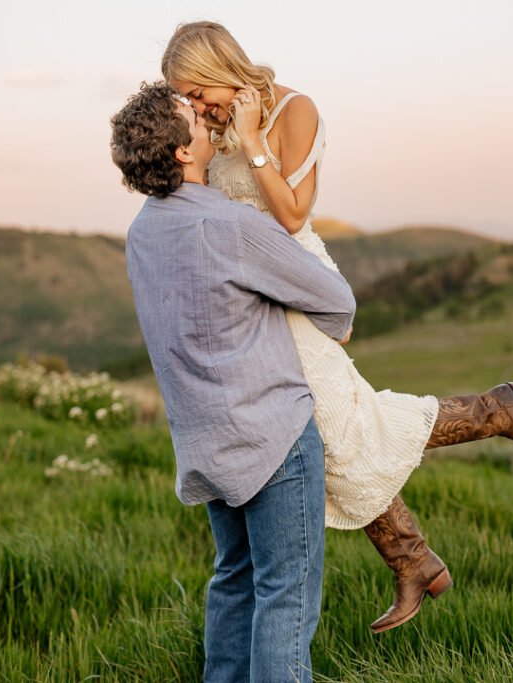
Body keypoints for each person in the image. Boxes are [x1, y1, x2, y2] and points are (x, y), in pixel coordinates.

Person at [160, 21, 513, 635]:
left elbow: (291, 216)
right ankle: (417, 551)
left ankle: (491, 423)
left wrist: (250, 141)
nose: (194, 108)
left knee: (324, 424)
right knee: (329, 423)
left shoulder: (294, 110)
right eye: (184, 99)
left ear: (218, 69)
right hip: (249, 292)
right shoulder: (207, 130)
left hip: (295, 279)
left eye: (194, 92)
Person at [111, 81, 356, 682]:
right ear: (181, 153)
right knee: (284, 602)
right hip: (271, 437)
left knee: (234, 581)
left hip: (202, 443)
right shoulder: (229, 225)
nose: (201, 118)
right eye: (189, 117)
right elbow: (338, 305)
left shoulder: (141, 232)